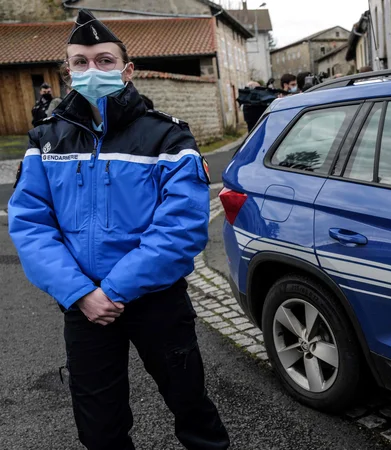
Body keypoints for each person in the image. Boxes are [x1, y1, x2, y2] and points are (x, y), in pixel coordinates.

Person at [8, 10, 229, 450]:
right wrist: (80, 293)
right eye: (81, 62)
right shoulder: (46, 141)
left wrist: (113, 291)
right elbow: (30, 223)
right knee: (99, 427)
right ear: (67, 72)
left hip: (156, 301)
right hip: (82, 303)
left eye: (105, 60)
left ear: (126, 71)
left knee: (192, 409)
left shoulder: (167, 138)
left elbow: (182, 227)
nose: (93, 70)